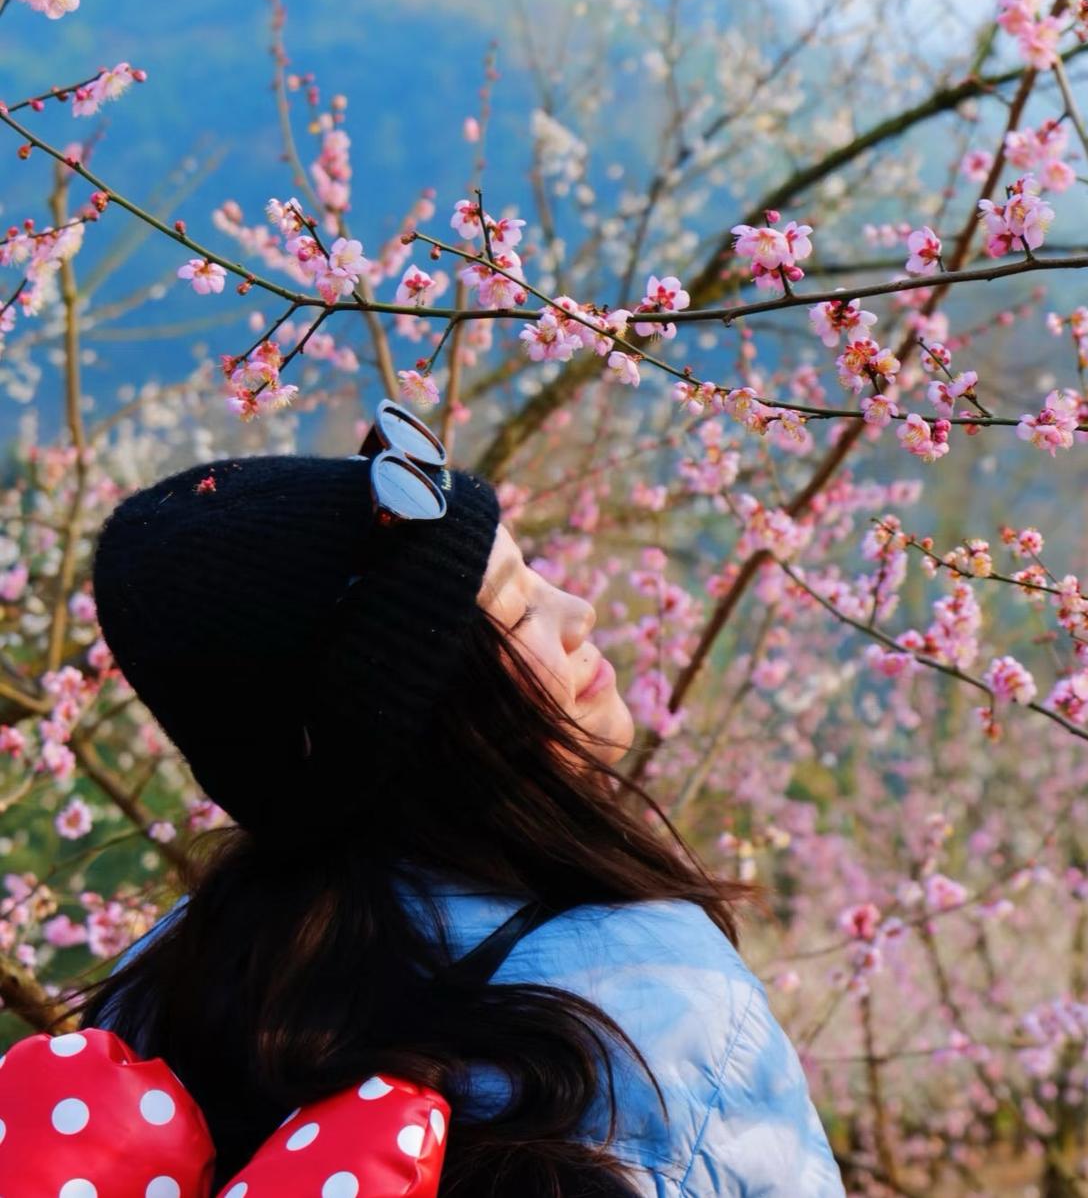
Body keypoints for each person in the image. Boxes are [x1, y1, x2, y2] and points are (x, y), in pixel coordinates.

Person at [75, 400, 847, 1197]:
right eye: (517, 609)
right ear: (423, 723)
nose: (577, 613)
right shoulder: (659, 998)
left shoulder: (155, 995)